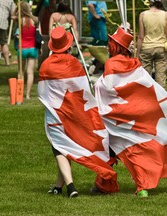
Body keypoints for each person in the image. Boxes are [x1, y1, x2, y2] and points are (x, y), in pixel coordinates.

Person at [94, 27, 167, 197]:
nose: (108, 46)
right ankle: (142, 186)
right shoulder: (135, 65)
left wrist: (96, 84)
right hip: (133, 118)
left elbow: (108, 87)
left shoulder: (112, 64)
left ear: (115, 46)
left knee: (108, 149)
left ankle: (105, 183)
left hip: (115, 118)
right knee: (136, 151)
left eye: (110, 43)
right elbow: (147, 87)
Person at [38, 26, 119, 197]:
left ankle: (70, 187)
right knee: (64, 146)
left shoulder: (45, 66)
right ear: (68, 45)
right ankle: (58, 187)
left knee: (59, 149)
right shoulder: (74, 64)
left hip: (55, 113)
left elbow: (42, 92)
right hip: (74, 112)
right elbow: (84, 90)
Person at [137, 0, 167, 88]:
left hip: (146, 48)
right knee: (161, 78)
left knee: (145, 78)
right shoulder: (166, 15)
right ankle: (161, 99)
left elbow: (141, 36)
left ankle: (146, 99)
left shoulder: (142, 15)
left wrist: (137, 53)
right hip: (161, 48)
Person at [15, 2, 39, 100]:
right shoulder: (35, 19)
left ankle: (19, 93)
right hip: (32, 48)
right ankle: (28, 95)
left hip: (22, 48)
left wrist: (17, 8)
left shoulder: (20, 20)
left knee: (21, 72)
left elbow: (13, 14)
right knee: (30, 73)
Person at [34, 0, 57, 69]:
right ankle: (41, 66)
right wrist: (39, 31)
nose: (52, 2)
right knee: (44, 52)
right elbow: (39, 20)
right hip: (45, 33)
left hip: (55, 34)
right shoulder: (44, 9)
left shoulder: (57, 10)